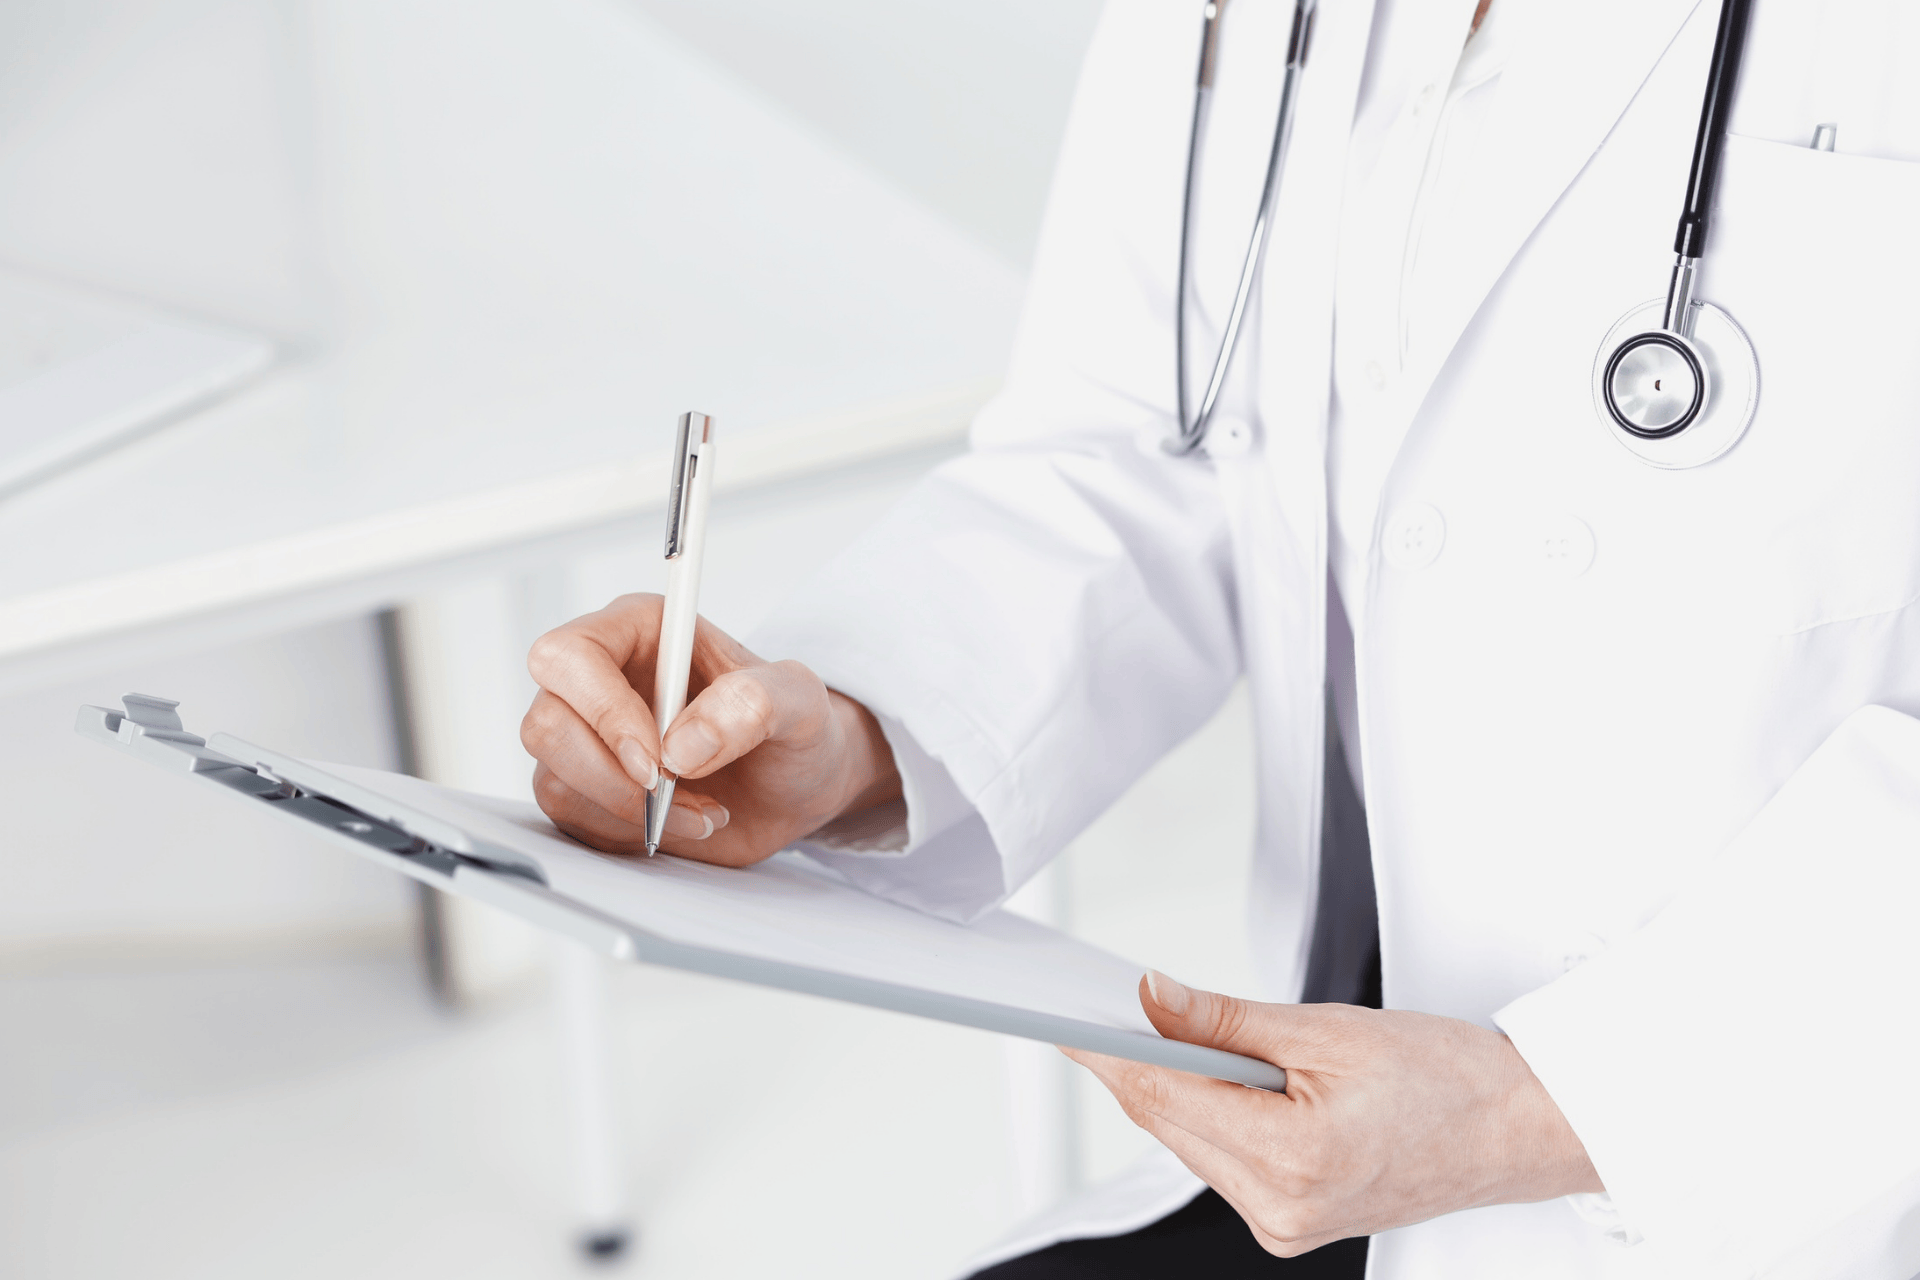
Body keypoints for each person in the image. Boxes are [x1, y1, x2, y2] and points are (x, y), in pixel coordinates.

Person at [520, 0, 1920, 1275]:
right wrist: (853, 731)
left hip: (1792, 1152)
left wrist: (1551, 1108)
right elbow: (1161, 437)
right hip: (1344, 1125)